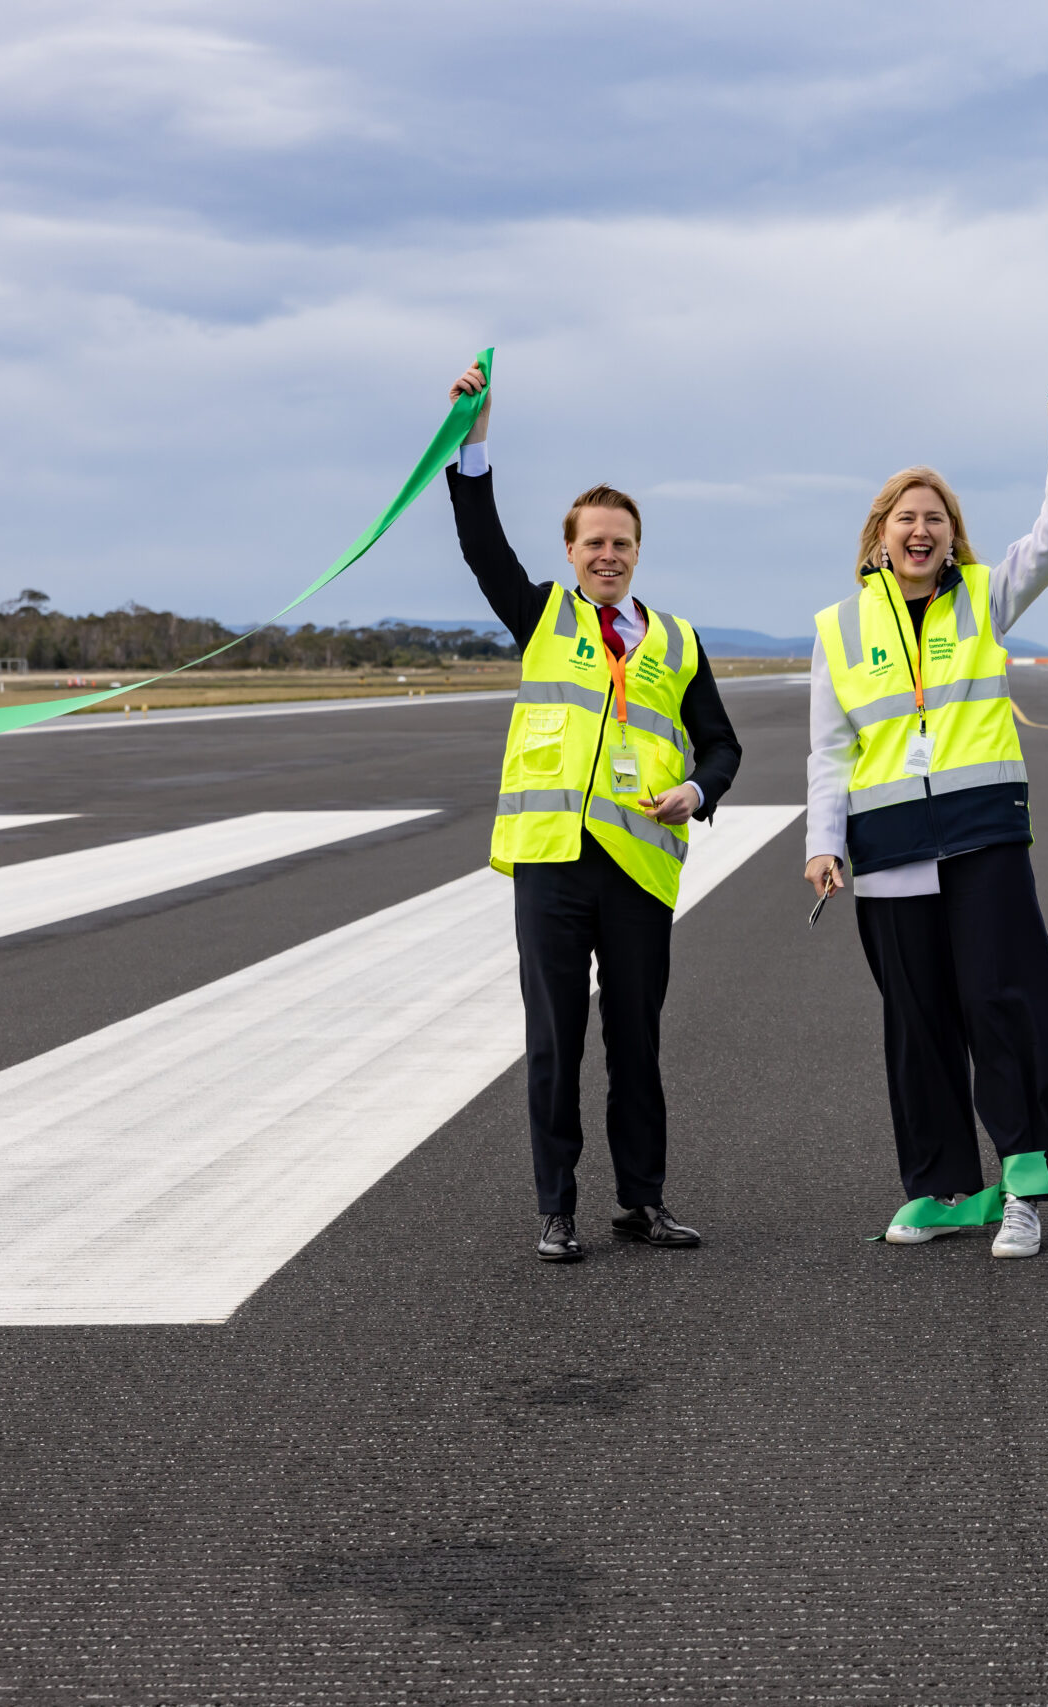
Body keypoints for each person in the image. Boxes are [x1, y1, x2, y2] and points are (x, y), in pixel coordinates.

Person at [443, 360, 743, 1264]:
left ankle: (643, 1202)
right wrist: (473, 438)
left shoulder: (678, 641)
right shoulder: (541, 618)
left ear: (638, 551)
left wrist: (699, 789)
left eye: (621, 543)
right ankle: (557, 1207)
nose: (606, 555)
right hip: (552, 860)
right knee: (555, 1040)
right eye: (591, 544)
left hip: (640, 865)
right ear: (570, 553)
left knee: (638, 1044)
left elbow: (721, 745)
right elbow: (481, 544)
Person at [804, 376, 1048, 1258]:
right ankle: (941, 1188)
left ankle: (1022, 1185)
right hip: (888, 848)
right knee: (917, 1024)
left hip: (981, 837)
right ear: (879, 536)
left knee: (1003, 1005)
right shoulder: (839, 628)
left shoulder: (982, 596)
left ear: (951, 535)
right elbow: (829, 750)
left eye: (935, 518)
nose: (920, 530)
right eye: (905, 517)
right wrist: (823, 843)